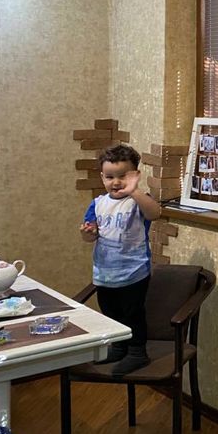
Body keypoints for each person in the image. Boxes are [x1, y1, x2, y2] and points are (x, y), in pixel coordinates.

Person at [79, 144, 161, 376]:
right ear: (102, 177)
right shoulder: (98, 203)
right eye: (109, 177)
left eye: (123, 176)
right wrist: (87, 233)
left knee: (133, 313)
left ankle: (137, 353)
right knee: (110, 313)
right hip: (104, 273)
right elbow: (89, 236)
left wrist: (134, 191)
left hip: (134, 271)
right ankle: (119, 347)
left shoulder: (138, 201)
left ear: (135, 175)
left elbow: (155, 213)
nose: (116, 182)